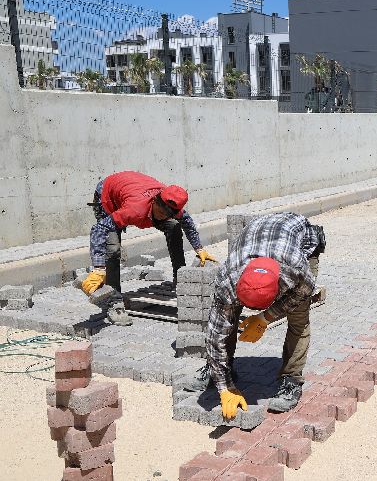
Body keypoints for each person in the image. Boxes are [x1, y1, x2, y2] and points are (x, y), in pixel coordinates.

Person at [186, 212, 325, 420]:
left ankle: (291, 380)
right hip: (258, 235)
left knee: (298, 320)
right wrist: (225, 388)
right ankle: (221, 369)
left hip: (302, 238)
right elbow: (216, 333)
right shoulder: (227, 278)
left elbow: (302, 293)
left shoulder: (296, 268)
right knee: (227, 319)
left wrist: (265, 317)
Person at [81, 171, 215, 297]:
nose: (162, 216)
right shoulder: (135, 210)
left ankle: (180, 280)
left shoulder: (173, 208)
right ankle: (114, 300)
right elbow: (98, 229)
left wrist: (199, 249)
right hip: (108, 193)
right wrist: (98, 268)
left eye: (167, 214)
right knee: (112, 248)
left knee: (174, 227)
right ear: (155, 201)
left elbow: (188, 224)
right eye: (160, 212)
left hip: (132, 188)